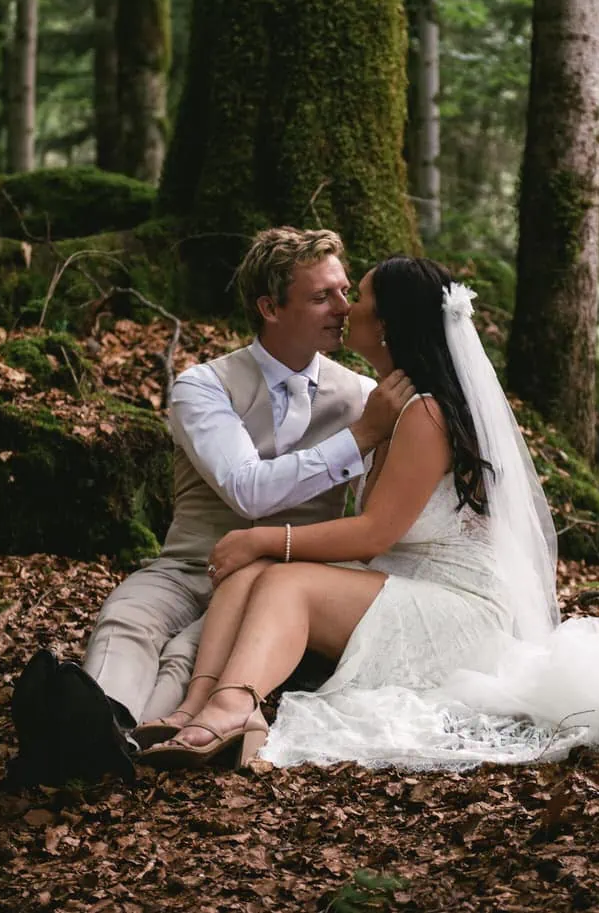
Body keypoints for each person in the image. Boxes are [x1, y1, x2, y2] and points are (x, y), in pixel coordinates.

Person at [134, 256, 599, 772]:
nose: (347, 308)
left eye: (360, 299)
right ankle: (194, 707)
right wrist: (261, 548)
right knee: (253, 573)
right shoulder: (390, 405)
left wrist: (266, 538)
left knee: (282, 578)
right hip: (409, 587)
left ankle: (236, 708)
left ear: (388, 326)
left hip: (458, 610)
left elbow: (376, 532)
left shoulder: (427, 412)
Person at [42, 228, 416, 775]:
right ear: (270, 307)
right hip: (188, 565)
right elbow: (248, 491)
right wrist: (359, 438)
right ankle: (97, 721)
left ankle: (118, 740)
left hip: (275, 582)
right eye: (322, 296)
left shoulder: (363, 397)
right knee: (126, 617)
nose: (344, 308)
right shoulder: (203, 386)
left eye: (344, 291)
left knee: (187, 654)